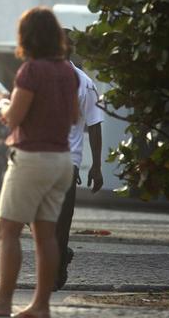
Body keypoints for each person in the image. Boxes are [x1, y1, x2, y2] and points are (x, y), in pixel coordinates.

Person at [0, 7, 78, 318]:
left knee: (7, 229)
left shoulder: (30, 71)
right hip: (61, 160)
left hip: (31, 157)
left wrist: (4, 102)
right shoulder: (67, 71)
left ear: (27, 36)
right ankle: (41, 306)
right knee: (46, 235)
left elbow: (13, 118)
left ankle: (3, 302)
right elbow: (73, 117)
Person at [54, 30, 104, 291]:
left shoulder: (84, 83)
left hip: (66, 162)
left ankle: (57, 271)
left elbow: (95, 125)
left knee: (61, 222)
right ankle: (62, 252)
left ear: (70, 49)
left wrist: (96, 166)